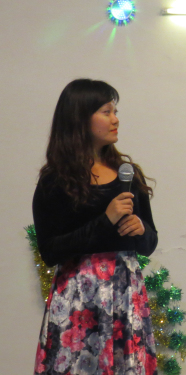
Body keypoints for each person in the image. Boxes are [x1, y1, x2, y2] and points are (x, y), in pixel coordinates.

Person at [32, 79, 158, 375]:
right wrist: (106, 220)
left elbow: (149, 243)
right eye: (106, 112)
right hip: (78, 299)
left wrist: (141, 229)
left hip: (125, 294)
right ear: (80, 119)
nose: (115, 120)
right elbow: (50, 251)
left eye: (115, 112)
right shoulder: (56, 180)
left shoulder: (128, 174)